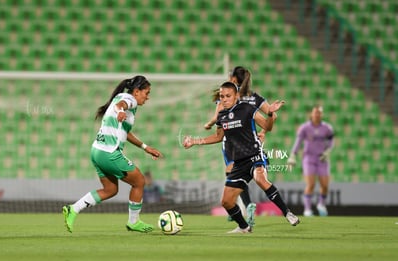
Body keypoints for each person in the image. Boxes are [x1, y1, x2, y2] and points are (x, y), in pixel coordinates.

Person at [184, 81, 300, 233]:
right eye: (221, 96)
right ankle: (244, 227)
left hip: (255, 155)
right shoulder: (222, 115)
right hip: (238, 162)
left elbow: (268, 126)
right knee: (226, 202)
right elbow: (218, 137)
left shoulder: (247, 108)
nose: (224, 99)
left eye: (228, 96)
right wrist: (195, 141)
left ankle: (288, 213)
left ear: (236, 96)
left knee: (260, 179)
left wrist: (270, 113)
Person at [62, 75, 163, 233]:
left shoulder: (123, 98)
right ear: (137, 91)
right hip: (109, 153)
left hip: (97, 151)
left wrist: (145, 147)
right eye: (147, 92)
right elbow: (120, 105)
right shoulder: (129, 99)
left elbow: (125, 132)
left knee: (110, 190)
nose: (148, 97)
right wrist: (121, 110)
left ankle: (73, 209)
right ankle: (133, 222)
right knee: (139, 182)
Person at [203, 66, 273, 227]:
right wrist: (263, 132)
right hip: (250, 139)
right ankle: (237, 205)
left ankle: (244, 205)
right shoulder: (254, 97)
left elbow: (217, 115)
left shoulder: (227, 96)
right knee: (246, 174)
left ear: (233, 79)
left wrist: (209, 124)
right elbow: (271, 114)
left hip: (231, 142)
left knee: (232, 172)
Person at [287, 104, 334, 217]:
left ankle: (321, 204)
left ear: (321, 114)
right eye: (315, 112)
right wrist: (293, 154)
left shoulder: (327, 128)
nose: (317, 114)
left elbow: (331, 142)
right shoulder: (305, 128)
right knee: (311, 184)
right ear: (312, 114)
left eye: (319, 112)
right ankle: (307, 210)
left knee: (325, 185)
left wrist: (328, 151)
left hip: (322, 158)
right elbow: (298, 142)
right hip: (309, 158)